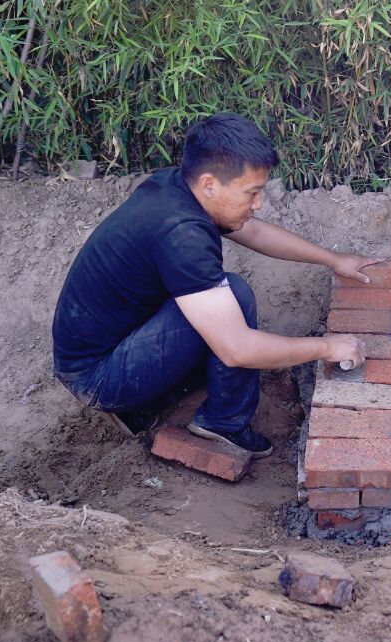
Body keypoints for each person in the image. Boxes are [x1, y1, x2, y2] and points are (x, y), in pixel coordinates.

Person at [51, 112, 374, 458]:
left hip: (99, 350)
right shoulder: (182, 235)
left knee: (217, 310)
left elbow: (254, 231)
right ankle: (224, 423)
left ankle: (140, 406)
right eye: (251, 192)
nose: (258, 204)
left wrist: (334, 260)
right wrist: (327, 348)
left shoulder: (173, 186)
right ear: (209, 184)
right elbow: (237, 349)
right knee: (232, 297)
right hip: (98, 377)